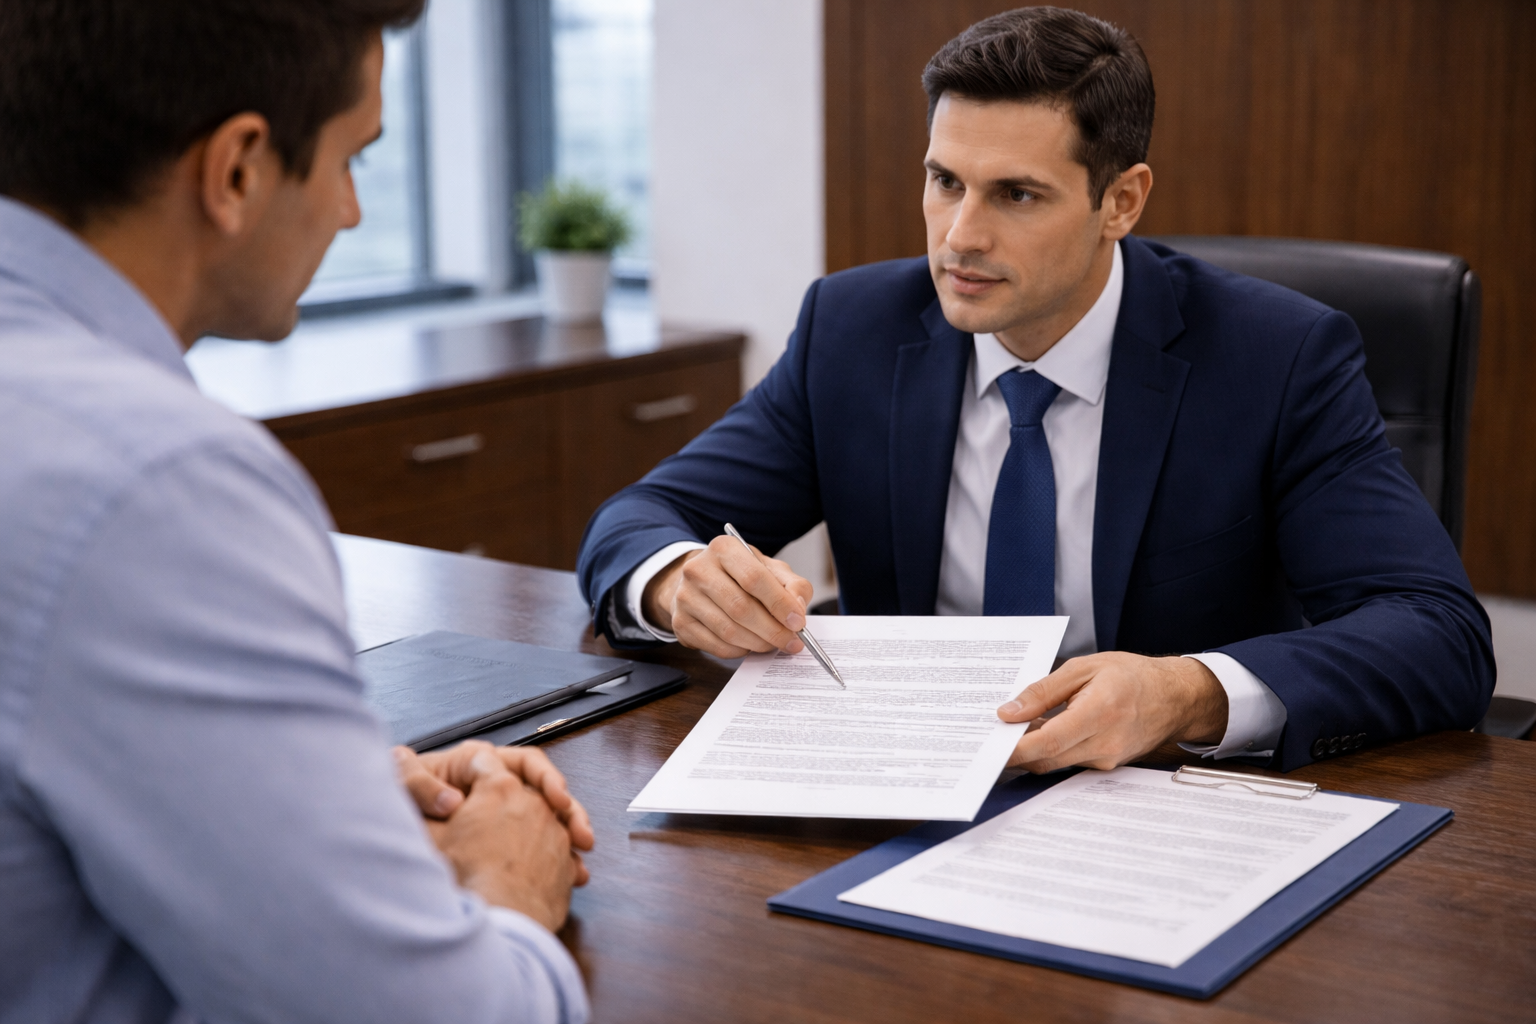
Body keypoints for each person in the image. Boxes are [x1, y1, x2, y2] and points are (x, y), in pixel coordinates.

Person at [577, 6, 1494, 774]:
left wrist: (1187, 692)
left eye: (1016, 194)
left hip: (1157, 807)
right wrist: (675, 581)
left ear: (1122, 202)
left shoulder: (1276, 357)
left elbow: (1438, 634)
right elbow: (644, 515)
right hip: (900, 784)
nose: (959, 237)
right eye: (945, 181)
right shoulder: (854, 330)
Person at [0, 2, 591, 1021]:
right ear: (236, 169)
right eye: (353, 158)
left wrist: (316, 791)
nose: (354, 212)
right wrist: (509, 885)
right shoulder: (155, 482)